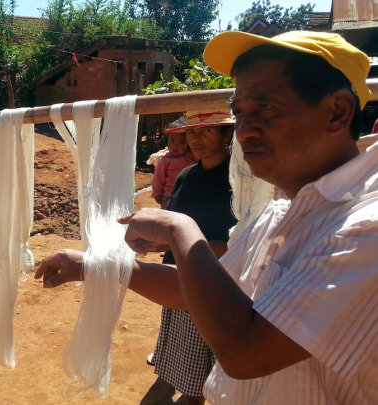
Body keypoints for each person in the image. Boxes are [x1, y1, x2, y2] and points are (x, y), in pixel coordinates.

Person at [35, 30, 378, 405]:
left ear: (336, 112)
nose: (245, 130)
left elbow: (246, 352)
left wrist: (179, 228)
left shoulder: (365, 225)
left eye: (266, 108)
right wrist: (94, 266)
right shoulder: (283, 206)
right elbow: (205, 289)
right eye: (240, 112)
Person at [150, 111, 236, 405]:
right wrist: (155, 241)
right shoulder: (186, 176)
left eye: (206, 131)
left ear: (226, 136)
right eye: (191, 133)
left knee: (203, 362)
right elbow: (173, 224)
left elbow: (233, 243)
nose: (195, 139)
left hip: (218, 281)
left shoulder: (237, 181)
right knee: (184, 351)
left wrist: (184, 247)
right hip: (181, 275)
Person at [150, 127, 196, 209]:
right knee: (168, 217)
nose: (175, 146)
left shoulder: (194, 157)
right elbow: (158, 178)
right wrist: (157, 193)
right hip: (169, 196)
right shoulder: (165, 159)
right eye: (172, 141)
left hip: (190, 196)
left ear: (189, 144)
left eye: (181, 143)